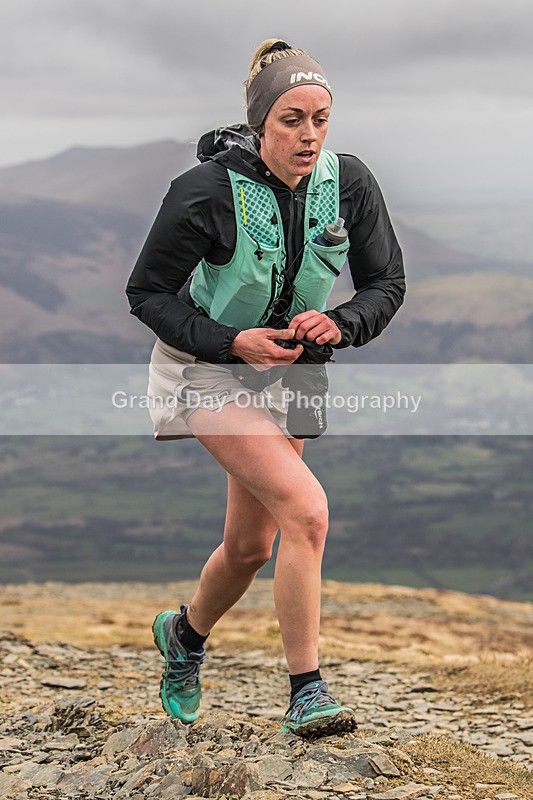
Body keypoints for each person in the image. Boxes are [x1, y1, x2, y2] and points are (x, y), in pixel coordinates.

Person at [125, 39, 405, 738]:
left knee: (250, 547)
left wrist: (341, 323)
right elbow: (147, 292)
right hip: (208, 366)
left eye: (319, 118)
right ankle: (306, 689)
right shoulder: (205, 191)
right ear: (259, 121)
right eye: (290, 119)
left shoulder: (350, 182)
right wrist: (231, 342)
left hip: (296, 372)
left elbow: (385, 284)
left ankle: (184, 637)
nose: (308, 134)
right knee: (306, 512)